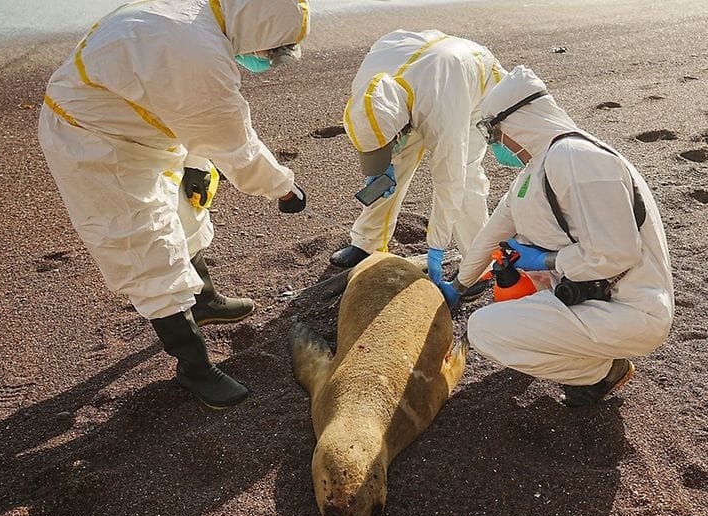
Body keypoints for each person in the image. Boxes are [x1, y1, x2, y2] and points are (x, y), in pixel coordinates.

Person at [38, 0, 311, 409]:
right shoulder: (196, 53)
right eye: (272, 51)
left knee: (186, 212)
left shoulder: (197, 14)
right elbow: (236, 144)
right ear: (261, 27)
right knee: (148, 248)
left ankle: (203, 301)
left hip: (142, 125)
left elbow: (182, 105)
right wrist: (284, 189)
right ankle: (195, 368)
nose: (267, 60)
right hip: (96, 144)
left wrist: (195, 161)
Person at [439, 66, 675, 407]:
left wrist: (546, 260)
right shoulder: (536, 170)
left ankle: (599, 371)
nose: (497, 144)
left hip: (633, 310)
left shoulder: (579, 159)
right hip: (591, 295)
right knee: (511, 298)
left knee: (484, 329)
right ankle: (592, 361)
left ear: (518, 121)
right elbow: (492, 235)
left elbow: (616, 254)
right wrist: (457, 286)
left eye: (495, 133)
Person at [333, 29, 506, 297]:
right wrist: (381, 164)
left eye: (393, 139)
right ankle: (367, 242)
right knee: (395, 164)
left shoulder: (442, 109)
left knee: (466, 176)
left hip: (471, 88)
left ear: (403, 126)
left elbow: (450, 181)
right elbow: (377, 124)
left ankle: (477, 264)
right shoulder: (367, 90)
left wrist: (436, 246)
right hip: (422, 77)